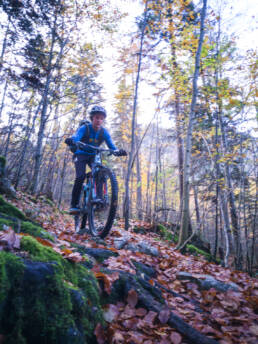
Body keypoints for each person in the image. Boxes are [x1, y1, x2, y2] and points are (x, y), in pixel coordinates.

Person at [65, 105, 126, 214]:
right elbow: (76, 136)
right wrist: (72, 140)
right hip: (81, 154)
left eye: (101, 118)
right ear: (92, 118)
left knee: (100, 175)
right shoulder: (85, 128)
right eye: (97, 117)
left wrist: (117, 151)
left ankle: (98, 199)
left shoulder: (104, 132)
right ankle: (74, 205)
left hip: (93, 155)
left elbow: (111, 146)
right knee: (80, 176)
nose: (99, 120)